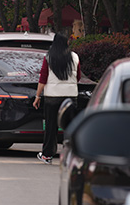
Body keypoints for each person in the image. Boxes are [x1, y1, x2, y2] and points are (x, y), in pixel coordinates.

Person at [32, 33, 80, 164]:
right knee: (69, 127)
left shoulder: (49, 57)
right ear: (66, 43)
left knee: (51, 126)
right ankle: (69, 156)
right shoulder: (75, 57)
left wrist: (37, 96)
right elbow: (78, 77)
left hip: (52, 97)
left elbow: (43, 78)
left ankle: (47, 155)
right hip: (70, 96)